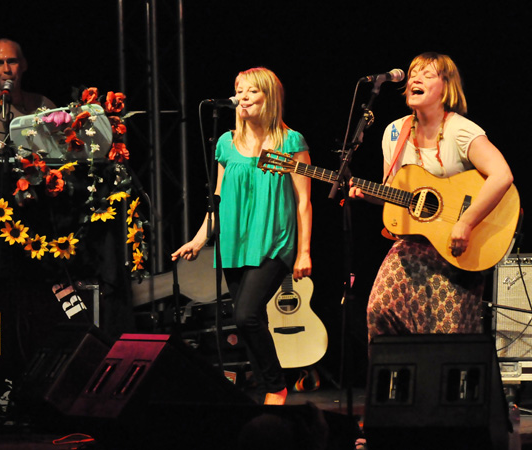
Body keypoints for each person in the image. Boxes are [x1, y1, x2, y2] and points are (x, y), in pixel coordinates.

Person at [349, 52, 514, 342]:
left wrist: (466, 222)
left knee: (446, 333)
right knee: (379, 310)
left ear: (446, 86)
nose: (415, 78)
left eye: (427, 74)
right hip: (413, 245)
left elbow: (502, 175)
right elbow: (400, 196)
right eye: (413, 73)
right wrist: (369, 195)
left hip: (457, 246)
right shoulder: (394, 133)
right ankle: (392, 385)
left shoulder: (461, 130)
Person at [172, 67, 312, 405]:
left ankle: (276, 385)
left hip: (275, 240)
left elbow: (304, 201)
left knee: (245, 314)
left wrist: (304, 251)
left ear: (270, 98)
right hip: (234, 243)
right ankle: (270, 392)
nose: (242, 98)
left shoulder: (291, 142)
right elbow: (217, 201)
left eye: (251, 91)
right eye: (239, 90)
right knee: (251, 321)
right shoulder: (226, 143)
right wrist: (198, 239)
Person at [0, 38, 56, 156]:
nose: (6, 70)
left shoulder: (42, 103)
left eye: (12, 61)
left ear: (23, 65)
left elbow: (60, 153)